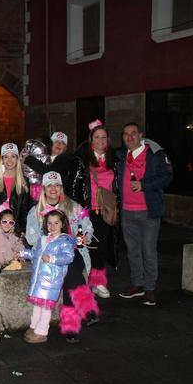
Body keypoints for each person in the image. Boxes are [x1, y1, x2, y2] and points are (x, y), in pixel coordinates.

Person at [26, 171, 99, 343]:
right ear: (43, 189)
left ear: (61, 188)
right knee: (68, 274)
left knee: (71, 268)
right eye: (49, 185)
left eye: (56, 185)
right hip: (49, 258)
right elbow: (31, 238)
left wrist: (84, 237)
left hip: (73, 252)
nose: (53, 189)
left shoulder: (74, 207)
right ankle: (80, 316)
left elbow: (87, 226)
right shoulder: (35, 211)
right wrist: (49, 238)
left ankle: (73, 323)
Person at [116, 122, 173, 306]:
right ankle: (137, 285)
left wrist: (144, 185)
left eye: (133, 133)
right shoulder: (120, 155)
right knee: (132, 251)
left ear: (141, 135)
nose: (130, 137)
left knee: (148, 251)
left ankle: (150, 288)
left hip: (148, 211)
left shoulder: (155, 154)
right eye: (126, 134)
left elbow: (167, 177)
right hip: (127, 211)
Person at [67, 120, 119, 298]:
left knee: (101, 247)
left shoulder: (113, 159)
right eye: (97, 137)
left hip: (105, 210)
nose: (101, 141)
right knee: (82, 245)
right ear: (91, 140)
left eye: (104, 138)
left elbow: (117, 185)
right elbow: (73, 186)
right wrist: (75, 209)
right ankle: (81, 282)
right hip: (87, 211)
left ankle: (98, 281)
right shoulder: (82, 160)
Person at [22, 210, 76, 344]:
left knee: (45, 308)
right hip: (38, 279)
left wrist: (52, 258)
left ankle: (41, 332)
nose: (52, 226)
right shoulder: (43, 238)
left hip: (51, 281)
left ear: (62, 224)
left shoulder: (64, 241)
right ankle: (34, 326)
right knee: (37, 306)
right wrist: (23, 253)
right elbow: (35, 254)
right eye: (49, 223)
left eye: (56, 223)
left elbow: (68, 257)